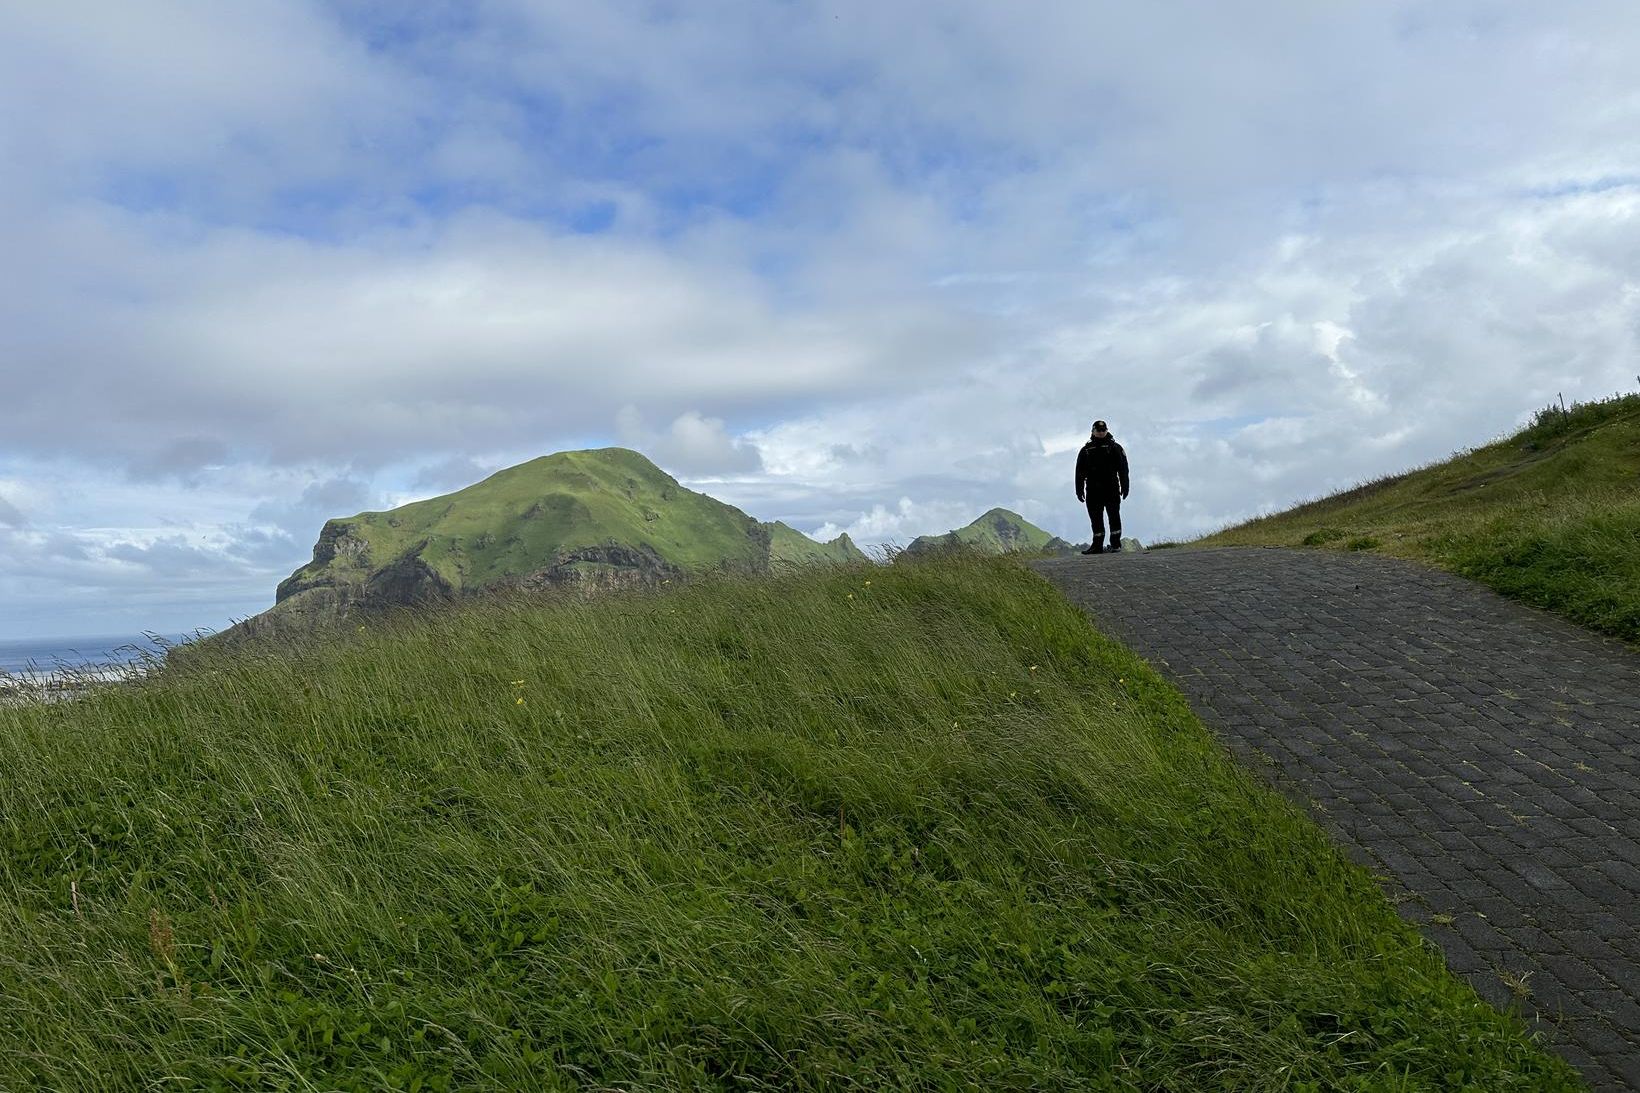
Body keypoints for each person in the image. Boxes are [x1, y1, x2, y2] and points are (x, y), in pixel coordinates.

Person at [1075, 419, 1129, 554]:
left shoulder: (1115, 448)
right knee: (1095, 518)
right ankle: (1097, 545)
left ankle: (1116, 544)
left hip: (1111, 488)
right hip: (1093, 490)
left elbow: (1123, 469)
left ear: (1107, 431)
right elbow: (1079, 472)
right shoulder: (1086, 450)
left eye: (1103, 430)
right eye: (1098, 430)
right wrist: (1079, 489)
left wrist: (1125, 486)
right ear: (1093, 431)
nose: (1101, 432)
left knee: (1114, 516)